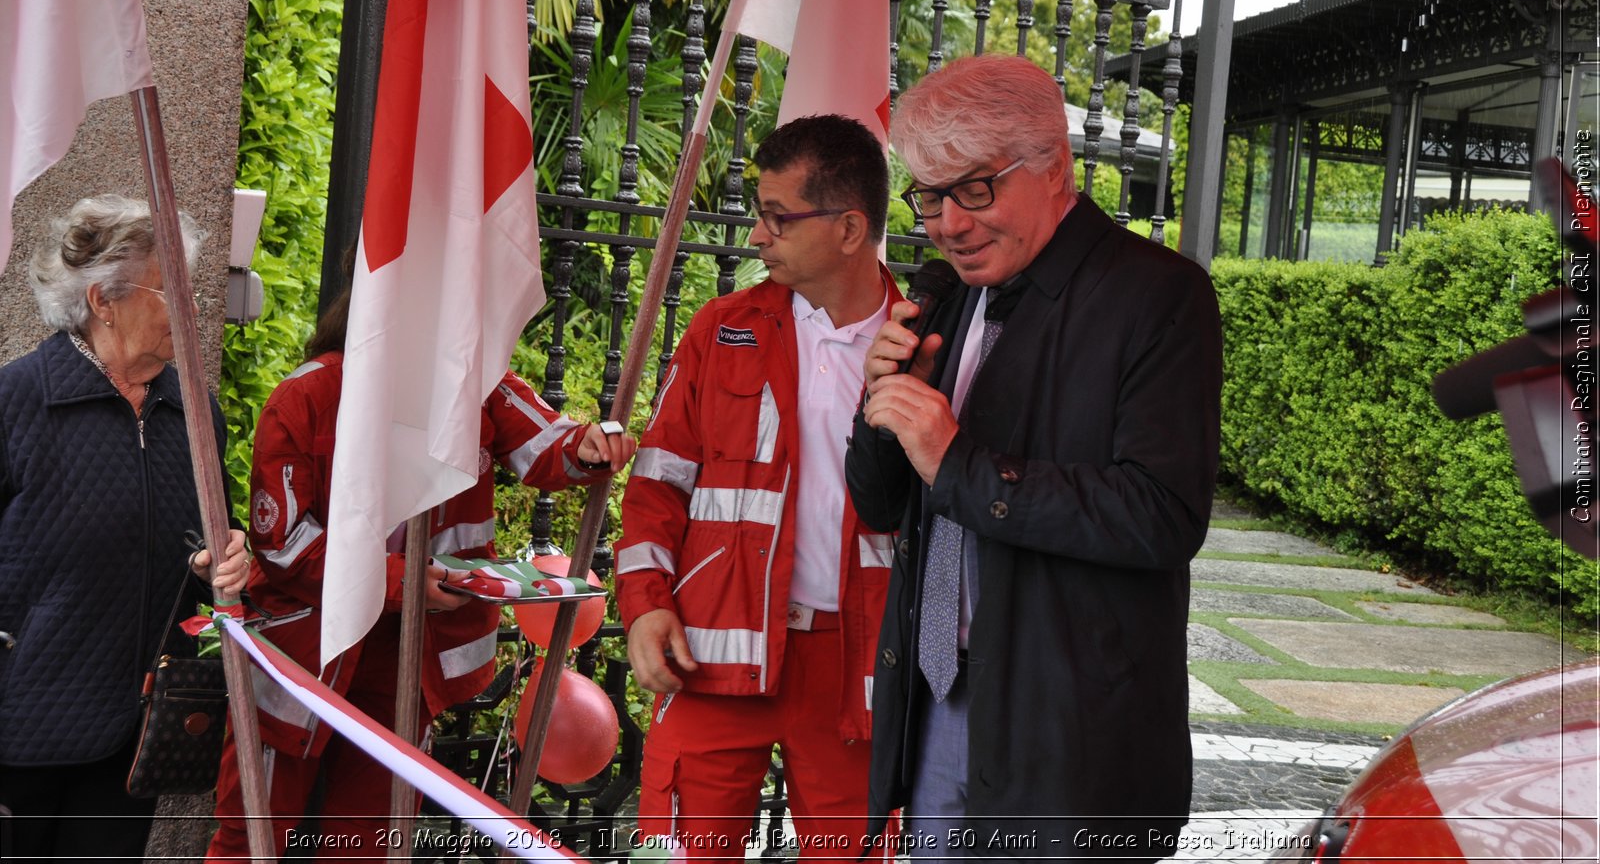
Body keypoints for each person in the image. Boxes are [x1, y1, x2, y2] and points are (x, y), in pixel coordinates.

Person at [849, 55, 1223, 861]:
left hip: (1071, 727)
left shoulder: (1160, 294)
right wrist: (883, 412)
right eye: (930, 196)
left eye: (974, 189)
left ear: (1055, 166)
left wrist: (956, 461)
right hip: (936, 698)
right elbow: (883, 507)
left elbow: (1162, 515)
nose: (948, 223)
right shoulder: (947, 294)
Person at [206, 282, 637, 862]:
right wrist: (396, 582)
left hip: (411, 653)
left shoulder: (474, 384)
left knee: (368, 845)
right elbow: (281, 545)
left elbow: (551, 445)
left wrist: (590, 445)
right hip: (304, 649)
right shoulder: (305, 396)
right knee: (251, 836)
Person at [616, 114, 901, 860]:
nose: (756, 236)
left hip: (856, 669)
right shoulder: (721, 328)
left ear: (849, 228)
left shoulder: (926, 342)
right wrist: (645, 607)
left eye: (778, 218)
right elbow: (656, 485)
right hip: (711, 651)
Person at [0, 194, 250, 861]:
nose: (190, 308)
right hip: (17, 740)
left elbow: (210, 540)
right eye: (169, 289)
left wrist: (225, 559)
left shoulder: (194, 413)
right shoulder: (17, 400)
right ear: (101, 300)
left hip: (133, 735)